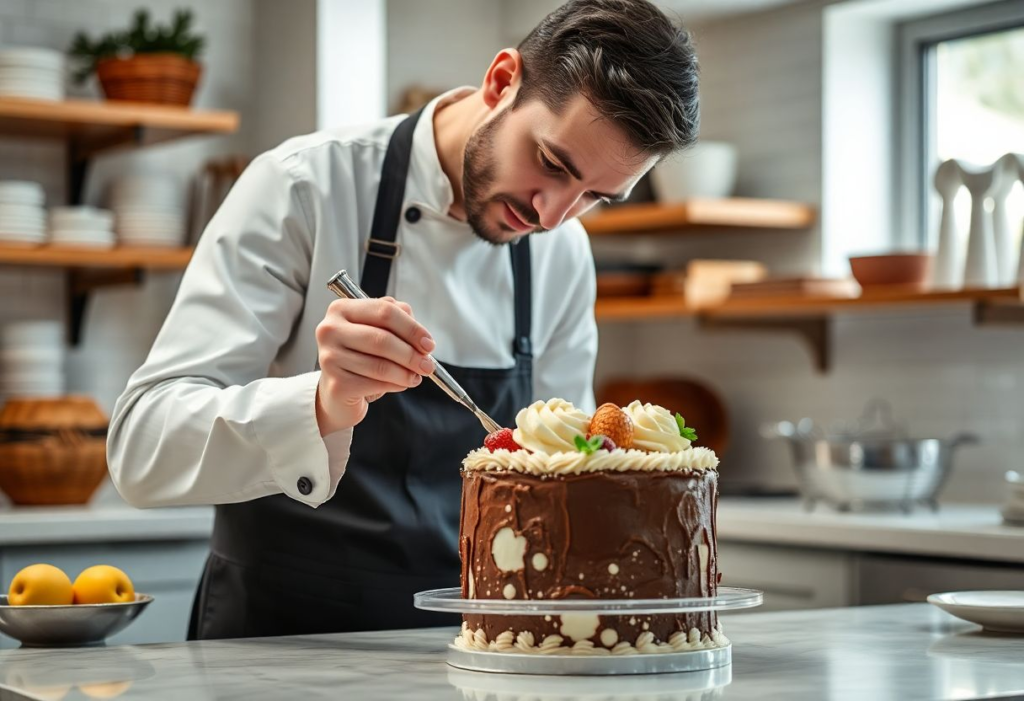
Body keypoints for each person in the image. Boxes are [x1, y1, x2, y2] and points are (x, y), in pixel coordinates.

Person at [107, 0, 700, 640]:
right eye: (553, 165)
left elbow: (562, 487)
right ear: (502, 82)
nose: (552, 216)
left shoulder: (561, 252)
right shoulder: (304, 186)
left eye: (594, 198)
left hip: (473, 646)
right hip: (278, 639)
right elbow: (142, 449)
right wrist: (322, 402)